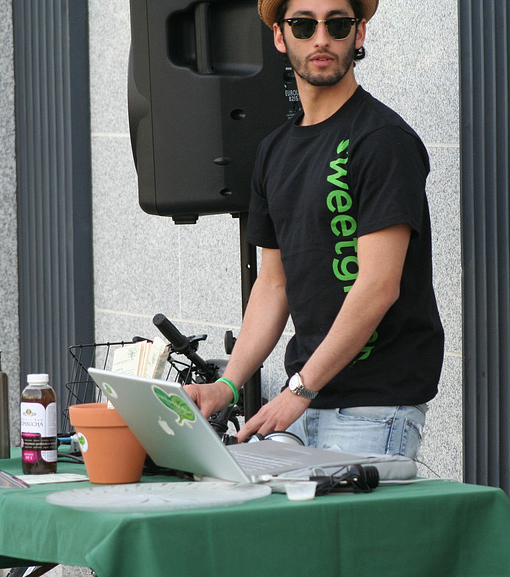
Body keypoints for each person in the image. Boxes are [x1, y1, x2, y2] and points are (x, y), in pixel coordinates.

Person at [185, 0, 444, 459]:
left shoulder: (383, 140)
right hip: (304, 404)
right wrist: (226, 386)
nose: (321, 38)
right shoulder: (274, 151)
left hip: (373, 408)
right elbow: (273, 283)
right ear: (280, 38)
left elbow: (378, 286)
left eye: (337, 24)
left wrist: (299, 389)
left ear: (358, 35)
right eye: (303, 25)